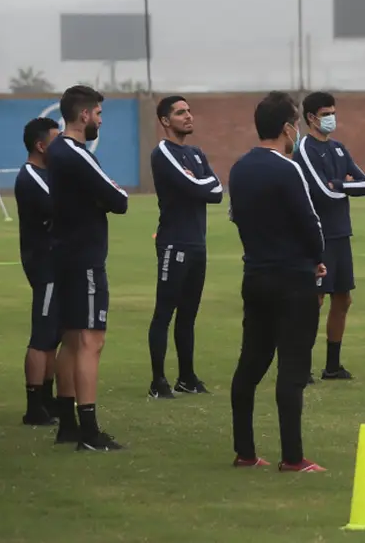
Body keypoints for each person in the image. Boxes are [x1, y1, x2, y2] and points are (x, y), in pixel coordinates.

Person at [228, 91, 326, 472]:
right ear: (287, 128)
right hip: (292, 280)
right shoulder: (289, 168)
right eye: (297, 124)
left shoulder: (239, 168)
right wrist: (316, 260)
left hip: (255, 274)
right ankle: (293, 456)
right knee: (293, 368)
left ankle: (245, 451)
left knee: (251, 363)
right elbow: (310, 223)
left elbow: (239, 217)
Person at [47, 85, 129, 450]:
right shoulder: (73, 152)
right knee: (90, 340)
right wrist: (108, 196)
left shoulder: (59, 152)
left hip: (66, 254)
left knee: (70, 338)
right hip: (84, 259)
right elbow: (118, 198)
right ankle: (90, 431)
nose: (99, 120)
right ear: (84, 115)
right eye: (97, 113)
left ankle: (67, 425)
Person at [147, 95, 224, 398]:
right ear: (166, 121)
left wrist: (199, 183)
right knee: (164, 312)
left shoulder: (196, 153)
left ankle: (187, 377)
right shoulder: (163, 152)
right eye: (180, 113)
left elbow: (216, 191)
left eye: (189, 111)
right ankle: (158, 381)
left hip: (197, 243)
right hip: (173, 243)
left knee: (189, 314)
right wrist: (199, 184)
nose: (188, 116)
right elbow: (196, 187)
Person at [292, 91, 365, 382]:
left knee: (343, 299)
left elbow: (364, 183)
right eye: (325, 113)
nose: (331, 118)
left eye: (333, 112)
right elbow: (321, 192)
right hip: (318, 235)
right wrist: (342, 184)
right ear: (311, 118)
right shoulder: (304, 150)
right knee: (315, 299)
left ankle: (332, 366)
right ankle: (299, 364)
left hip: (341, 234)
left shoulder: (339, 148)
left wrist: (338, 184)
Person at [15, 117, 63, 426]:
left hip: (58, 263)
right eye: (56, 142)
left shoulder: (48, 173)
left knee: (54, 334)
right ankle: (34, 407)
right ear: (40, 145)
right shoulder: (32, 176)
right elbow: (61, 207)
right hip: (44, 263)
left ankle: (48, 398)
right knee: (42, 335)